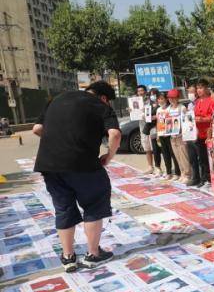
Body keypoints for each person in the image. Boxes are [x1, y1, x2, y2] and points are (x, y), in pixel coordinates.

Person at [32, 80, 119, 272]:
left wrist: (59, 141)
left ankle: (68, 257)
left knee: (63, 208)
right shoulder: (99, 105)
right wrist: (109, 156)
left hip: (50, 165)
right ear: (104, 98)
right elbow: (114, 134)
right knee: (94, 204)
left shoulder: (56, 99)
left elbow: (37, 129)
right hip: (84, 164)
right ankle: (93, 255)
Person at [193, 79, 214, 190]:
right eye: (197, 88)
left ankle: (213, 180)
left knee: (211, 159)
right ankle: (204, 179)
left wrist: (202, 119)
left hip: (209, 134)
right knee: (202, 159)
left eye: (201, 88)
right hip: (198, 134)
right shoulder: (197, 101)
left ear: (207, 88)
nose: (199, 90)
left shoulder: (212, 101)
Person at [167, 89, 193, 185]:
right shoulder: (168, 109)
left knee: (184, 156)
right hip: (172, 136)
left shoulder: (182, 108)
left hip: (181, 136)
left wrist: (184, 133)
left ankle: (188, 175)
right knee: (177, 156)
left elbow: (187, 121)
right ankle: (182, 173)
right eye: (170, 98)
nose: (172, 99)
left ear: (177, 98)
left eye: (174, 98)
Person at [157, 92, 181, 180]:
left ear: (166, 99)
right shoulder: (158, 110)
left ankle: (177, 173)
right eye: (159, 99)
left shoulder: (169, 109)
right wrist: (158, 134)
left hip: (169, 134)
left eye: (162, 99)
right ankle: (168, 172)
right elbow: (158, 122)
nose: (160, 101)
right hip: (161, 134)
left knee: (173, 154)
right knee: (165, 154)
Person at [133, 85, 155, 174]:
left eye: (142, 90)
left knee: (155, 148)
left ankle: (158, 167)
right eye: (138, 91)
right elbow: (134, 115)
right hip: (143, 128)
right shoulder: (135, 103)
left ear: (145, 91)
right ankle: (150, 167)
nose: (140, 92)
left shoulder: (151, 101)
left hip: (152, 127)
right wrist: (131, 111)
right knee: (147, 148)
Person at [183, 84, 201, 186]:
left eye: (192, 92)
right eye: (188, 92)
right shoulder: (189, 105)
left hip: (198, 134)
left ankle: (204, 179)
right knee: (192, 157)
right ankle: (195, 177)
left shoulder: (199, 102)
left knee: (201, 159)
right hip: (189, 134)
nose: (190, 94)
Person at [145, 88, 162, 176]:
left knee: (166, 150)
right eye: (151, 94)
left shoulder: (162, 103)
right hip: (153, 130)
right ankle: (158, 167)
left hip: (162, 129)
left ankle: (171, 170)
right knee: (155, 150)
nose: (152, 96)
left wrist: (156, 117)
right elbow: (146, 115)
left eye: (154, 94)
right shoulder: (148, 105)